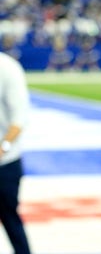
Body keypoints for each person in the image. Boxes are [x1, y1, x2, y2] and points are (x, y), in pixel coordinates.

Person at [0, 52, 32, 254]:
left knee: (10, 218)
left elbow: (19, 119)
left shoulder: (7, 67)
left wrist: (3, 147)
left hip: (5, 164)